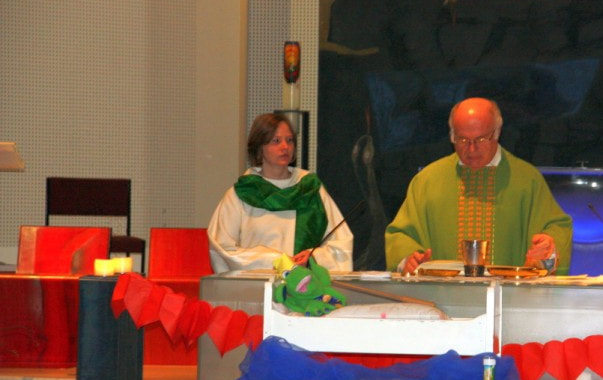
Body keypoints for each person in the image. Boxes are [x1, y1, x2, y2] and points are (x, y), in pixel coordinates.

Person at [385, 97, 572, 275]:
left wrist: (547, 248)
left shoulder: (526, 179)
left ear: (497, 133)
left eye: (481, 139)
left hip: (508, 294)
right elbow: (401, 234)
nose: (472, 149)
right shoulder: (427, 180)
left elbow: (556, 228)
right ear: (451, 136)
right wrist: (409, 259)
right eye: (462, 140)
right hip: (442, 294)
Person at [208, 113, 353, 273]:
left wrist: (314, 258)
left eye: (289, 140)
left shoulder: (311, 190)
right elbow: (223, 249)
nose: (285, 147)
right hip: (258, 285)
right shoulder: (240, 195)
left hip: (305, 284)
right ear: (259, 148)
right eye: (276, 141)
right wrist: (276, 261)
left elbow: (341, 244)